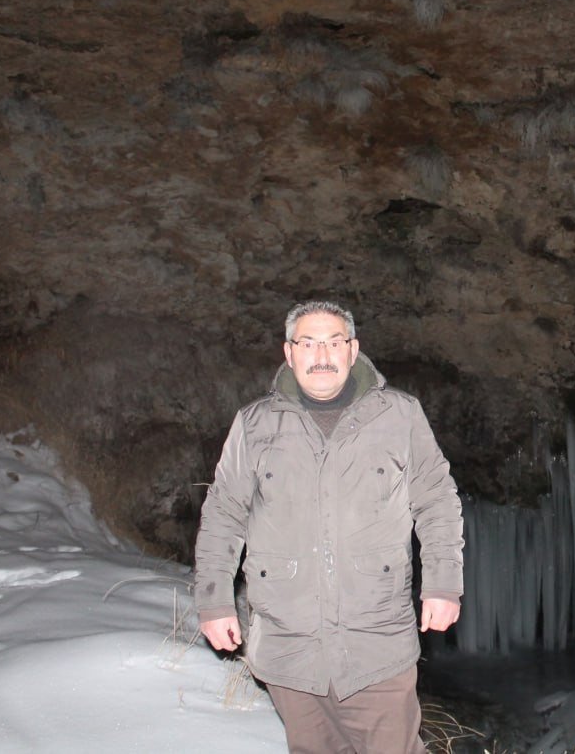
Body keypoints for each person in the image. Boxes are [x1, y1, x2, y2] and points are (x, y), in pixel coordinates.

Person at [193, 300, 464, 753]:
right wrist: (214, 600)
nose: (322, 355)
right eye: (308, 343)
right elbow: (224, 512)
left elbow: (436, 498)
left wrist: (443, 583)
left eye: (334, 342)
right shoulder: (254, 424)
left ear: (352, 350)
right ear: (289, 352)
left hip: (376, 643)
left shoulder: (400, 415)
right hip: (288, 644)